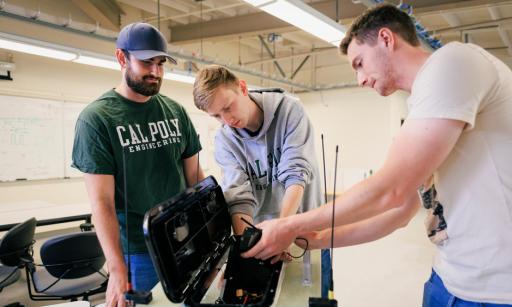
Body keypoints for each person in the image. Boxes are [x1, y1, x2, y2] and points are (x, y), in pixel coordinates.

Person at [242, 4, 512, 306]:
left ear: (386, 39)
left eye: (359, 63)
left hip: (509, 288)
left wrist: (288, 225)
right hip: (451, 278)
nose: (360, 78)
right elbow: (398, 214)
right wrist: (315, 239)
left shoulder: (454, 61)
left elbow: (391, 190)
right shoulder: (423, 107)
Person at [72, 22, 204, 307]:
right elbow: (102, 203)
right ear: (122, 58)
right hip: (138, 252)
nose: (155, 72)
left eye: (160, 63)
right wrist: (117, 270)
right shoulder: (97, 120)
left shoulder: (175, 112)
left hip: (183, 241)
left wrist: (205, 233)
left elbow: (195, 179)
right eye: (146, 62)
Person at [192, 64, 324, 263]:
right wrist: (247, 250)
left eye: (228, 107)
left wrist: (282, 232)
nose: (227, 120)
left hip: (305, 231)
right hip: (263, 238)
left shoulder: (289, 110)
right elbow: (238, 197)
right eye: (217, 116)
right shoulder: (224, 140)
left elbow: (295, 173)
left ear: (242, 88)